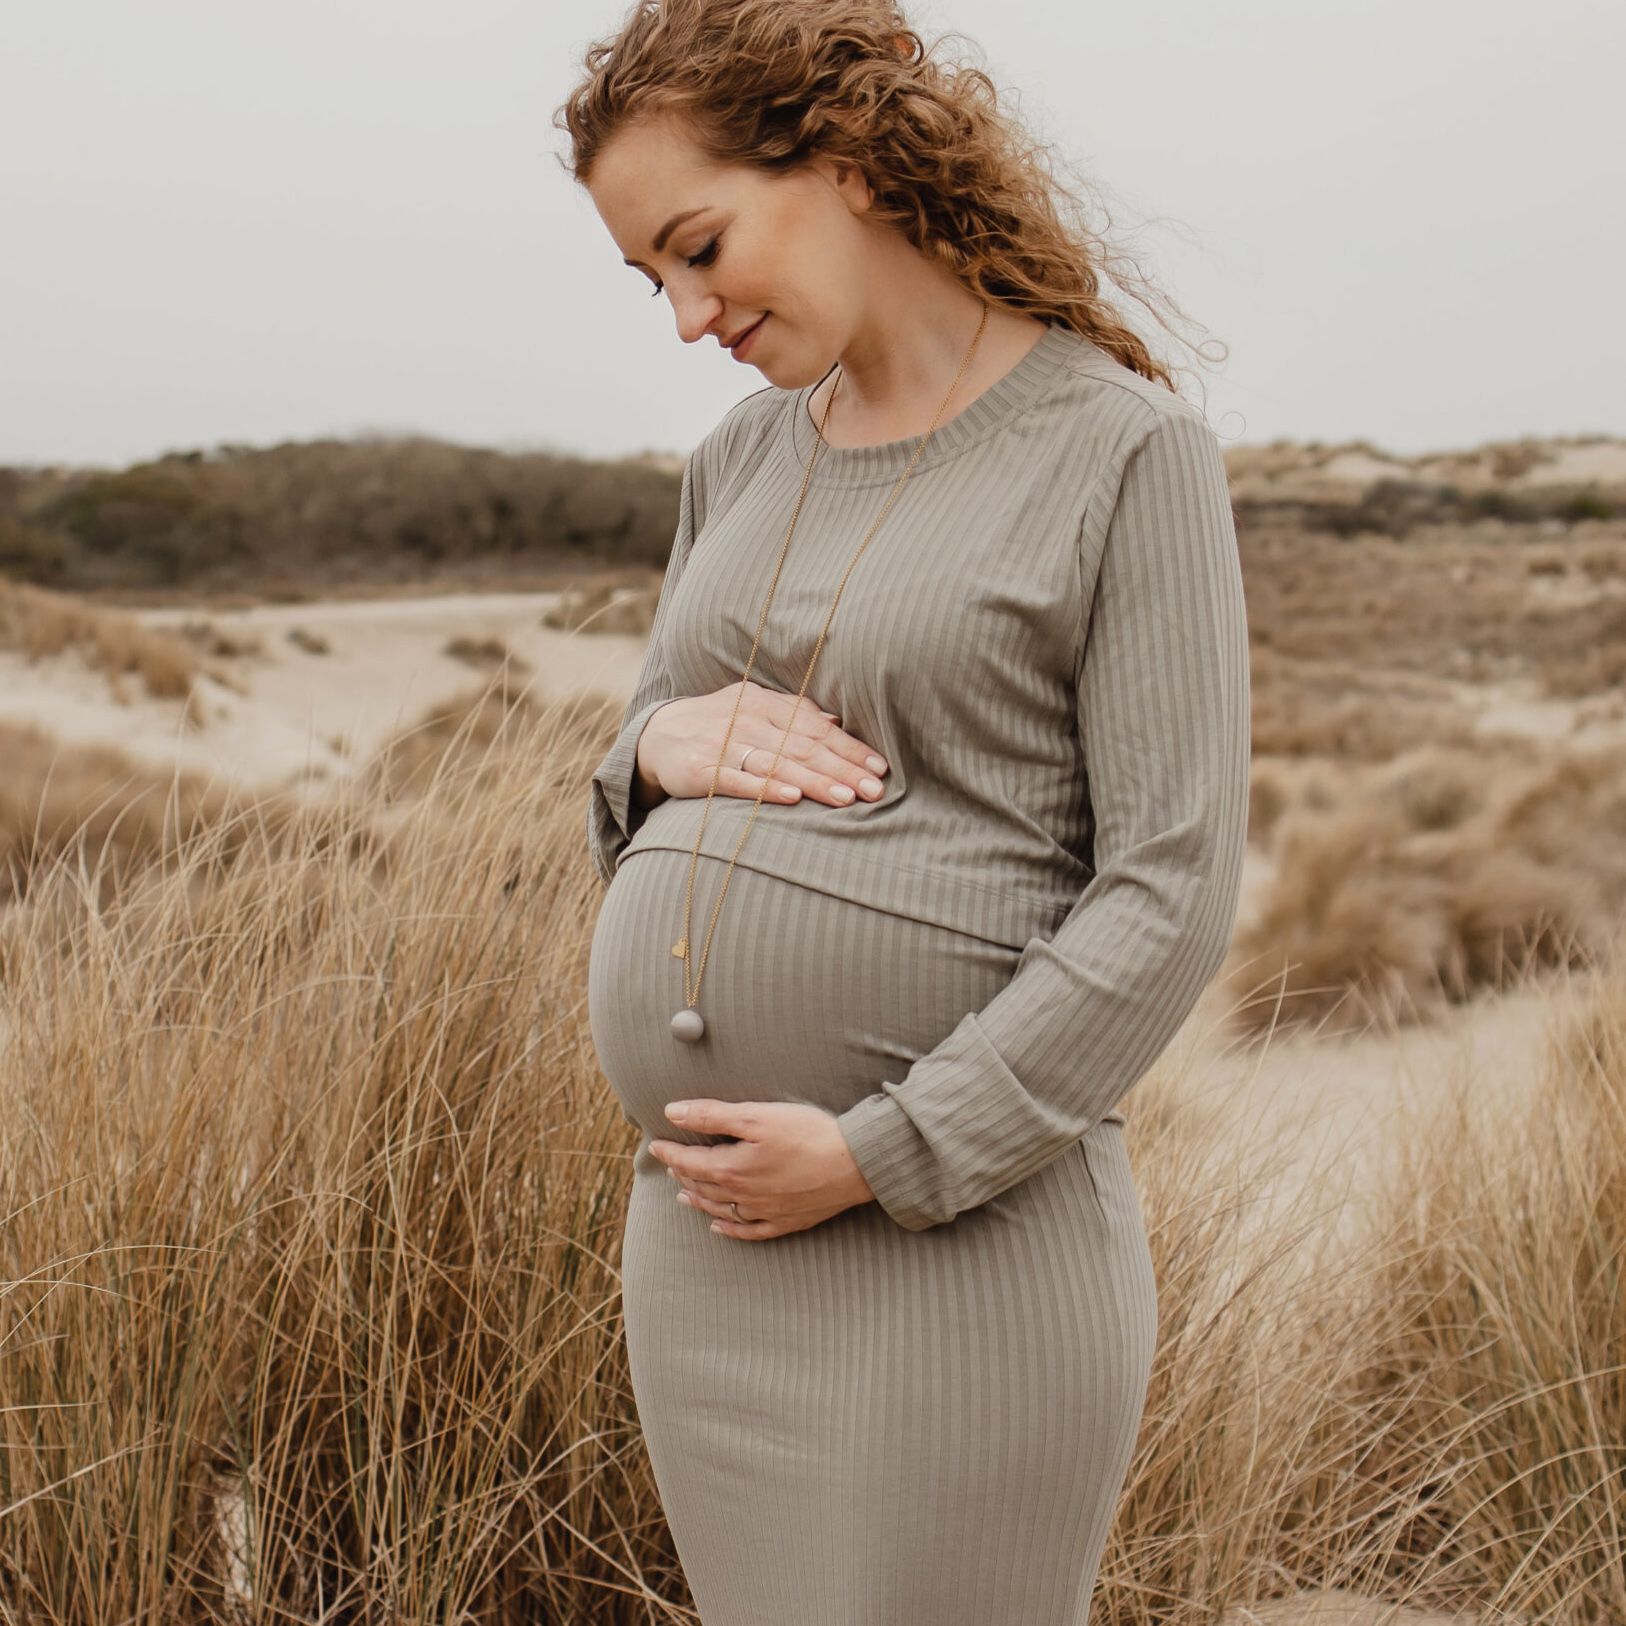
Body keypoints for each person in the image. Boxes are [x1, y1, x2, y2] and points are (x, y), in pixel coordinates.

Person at [558, 2, 1250, 1622]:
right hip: (706, 1252)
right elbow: (620, 787)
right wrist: (660, 744)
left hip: (963, 1247)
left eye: (699, 245)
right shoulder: (734, 461)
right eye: (648, 277)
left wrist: (883, 1150)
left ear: (851, 160)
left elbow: (1169, 890)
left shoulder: (1119, 450)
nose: (682, 314)